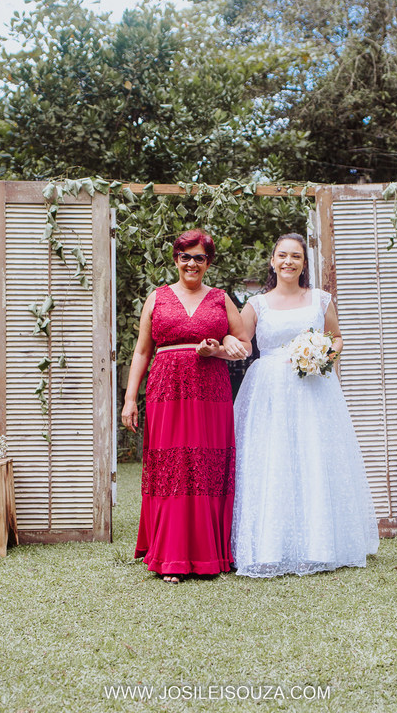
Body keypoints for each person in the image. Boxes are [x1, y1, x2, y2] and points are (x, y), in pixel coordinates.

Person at [231, 233, 379, 577]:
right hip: (269, 390)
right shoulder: (256, 304)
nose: (288, 261)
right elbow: (240, 341)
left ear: (304, 263)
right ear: (272, 261)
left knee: (313, 457)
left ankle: (318, 545)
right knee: (273, 460)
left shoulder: (320, 300)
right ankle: (270, 546)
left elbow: (336, 337)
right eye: (282, 255)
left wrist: (322, 355)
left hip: (313, 388)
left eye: (295, 256)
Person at [121, 230, 251, 584]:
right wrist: (130, 398)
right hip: (167, 391)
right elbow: (142, 351)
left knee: (206, 466)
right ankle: (170, 556)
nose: (191, 263)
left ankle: (209, 555)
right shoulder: (157, 297)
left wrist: (217, 349)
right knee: (173, 467)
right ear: (176, 259)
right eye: (185, 257)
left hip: (210, 392)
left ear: (208, 262)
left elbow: (243, 345)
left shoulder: (221, 299)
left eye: (199, 257)